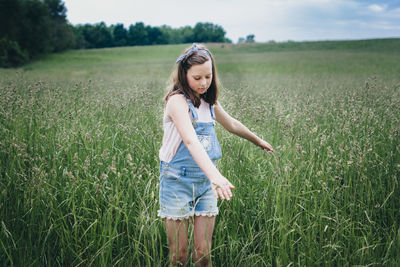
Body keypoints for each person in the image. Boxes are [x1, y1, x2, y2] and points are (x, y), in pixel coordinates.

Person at [158, 43, 274, 266]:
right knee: (179, 256)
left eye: (208, 76)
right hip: (177, 180)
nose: (203, 83)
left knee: (203, 254)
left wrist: (258, 140)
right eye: (197, 77)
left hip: (205, 183)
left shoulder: (208, 102)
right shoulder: (176, 101)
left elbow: (231, 124)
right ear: (184, 75)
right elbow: (191, 141)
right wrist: (216, 176)